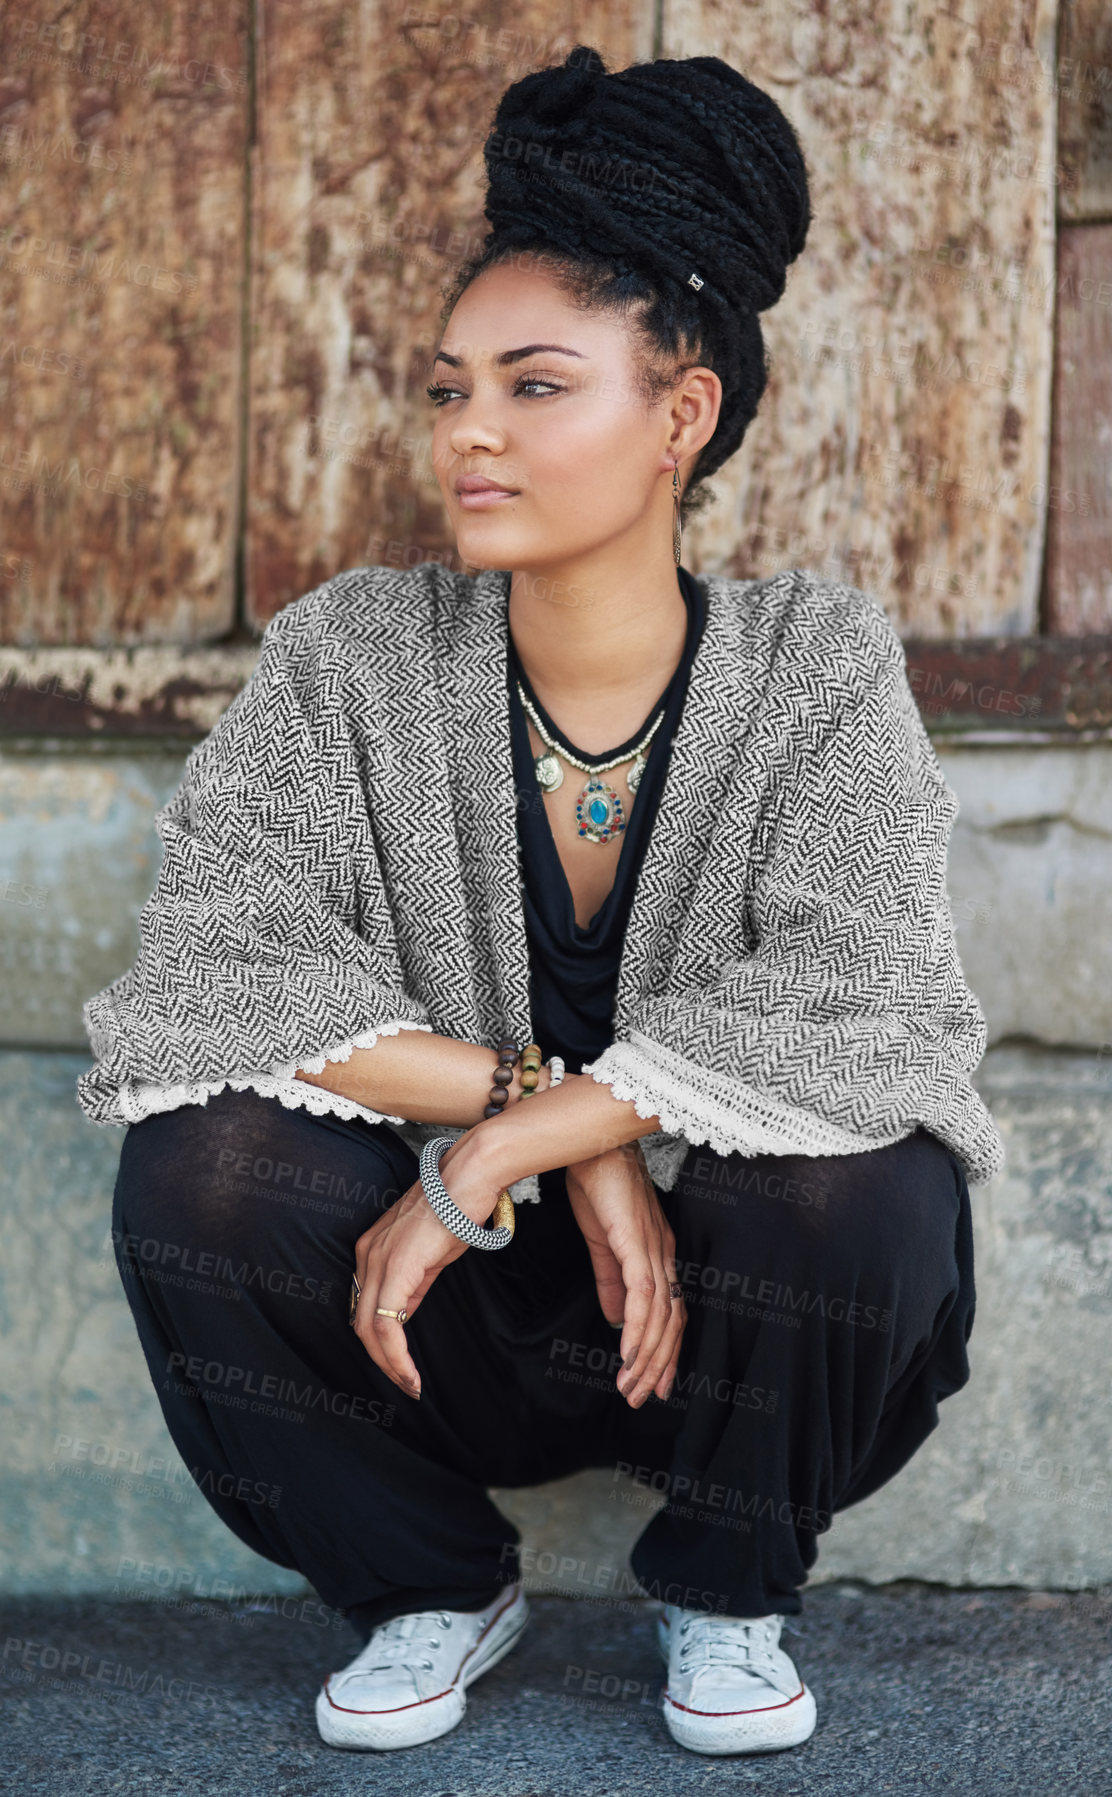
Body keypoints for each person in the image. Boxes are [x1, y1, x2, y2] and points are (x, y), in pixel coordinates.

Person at [78, 45, 1004, 1760]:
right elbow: (209, 977)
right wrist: (553, 1123)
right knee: (196, 1157)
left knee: (863, 1167)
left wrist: (507, 1145)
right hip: (435, 1311)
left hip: (736, 1330)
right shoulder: (347, 658)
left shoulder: (818, 665)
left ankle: (731, 1589)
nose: (472, 431)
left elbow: (869, 995)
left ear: (682, 414)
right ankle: (425, 1580)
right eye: (447, 389)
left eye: (534, 384)